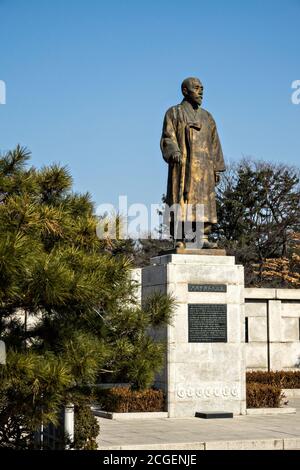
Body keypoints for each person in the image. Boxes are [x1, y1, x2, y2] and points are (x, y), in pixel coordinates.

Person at [160, 77, 225, 248]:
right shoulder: (173, 113)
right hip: (182, 166)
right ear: (185, 91)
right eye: (197, 88)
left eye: (202, 88)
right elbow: (168, 136)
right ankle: (179, 238)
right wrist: (174, 151)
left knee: (204, 201)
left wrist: (216, 168)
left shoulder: (207, 117)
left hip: (204, 169)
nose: (201, 91)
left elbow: (215, 143)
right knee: (180, 200)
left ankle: (202, 238)